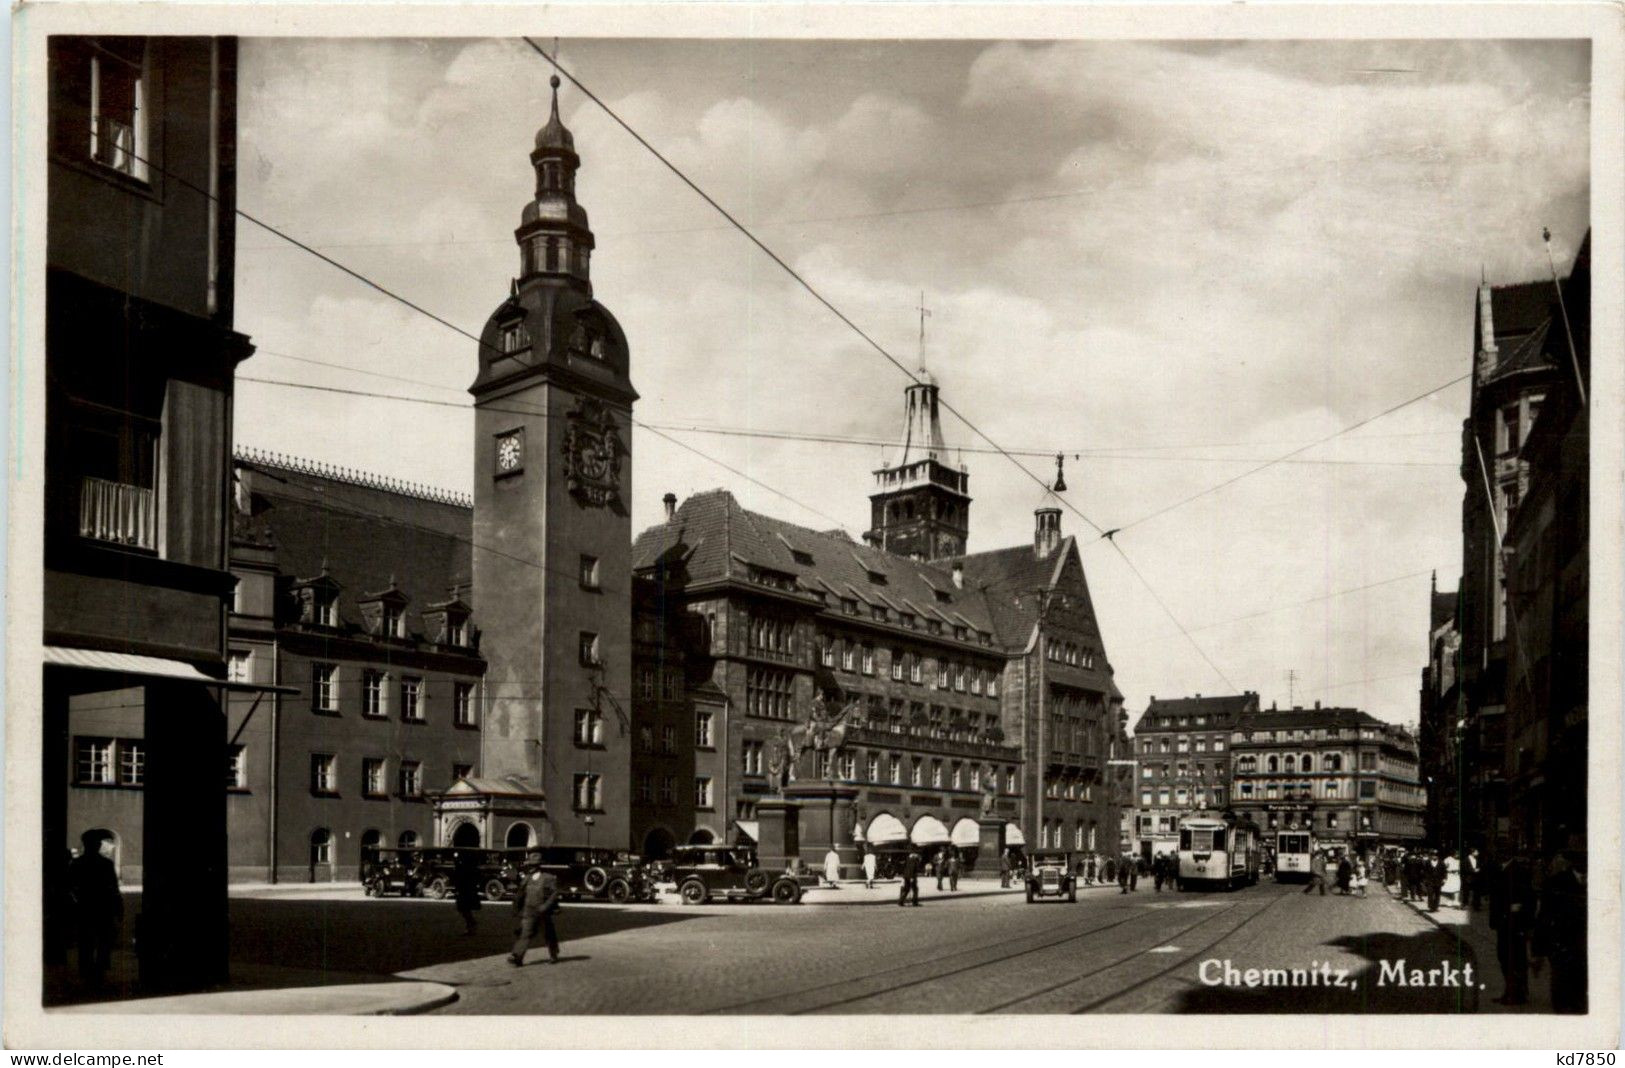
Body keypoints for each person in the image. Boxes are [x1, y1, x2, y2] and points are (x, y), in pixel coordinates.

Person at [67, 829, 123, 987]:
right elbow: (113, 888)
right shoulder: (106, 864)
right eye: (97, 843)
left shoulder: (77, 864)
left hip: (85, 907)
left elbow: (69, 886)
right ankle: (100, 969)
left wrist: (75, 902)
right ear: (95, 845)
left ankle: (87, 970)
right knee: (104, 939)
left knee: (86, 940)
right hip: (103, 907)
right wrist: (118, 907)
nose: (99, 845)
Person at [1532, 850, 1586, 1013]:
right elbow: (1544, 918)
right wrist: (1538, 952)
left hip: (1591, 949)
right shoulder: (1555, 883)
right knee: (1563, 995)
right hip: (1563, 947)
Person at [1489, 853, 1535, 1005]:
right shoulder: (1500, 869)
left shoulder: (1518, 871)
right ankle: (1510, 992)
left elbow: (1529, 897)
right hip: (1504, 923)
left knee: (1514, 959)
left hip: (1515, 923)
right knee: (1504, 957)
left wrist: (1519, 910)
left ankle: (1517, 995)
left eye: (1504, 849)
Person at [508, 864, 561, 966]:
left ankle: (553, 954)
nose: (529, 868)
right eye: (529, 865)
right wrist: (516, 908)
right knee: (525, 933)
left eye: (532, 866)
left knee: (548, 933)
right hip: (529, 911)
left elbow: (554, 894)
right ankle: (517, 957)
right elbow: (520, 894)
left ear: (537, 867)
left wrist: (546, 906)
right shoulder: (527, 879)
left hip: (542, 911)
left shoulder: (547, 878)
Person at [451, 850, 482, 935]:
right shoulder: (466, 867)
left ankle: (471, 925)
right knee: (464, 909)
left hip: (466, 889)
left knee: (464, 908)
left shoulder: (466, 867)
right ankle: (470, 925)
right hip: (465, 888)